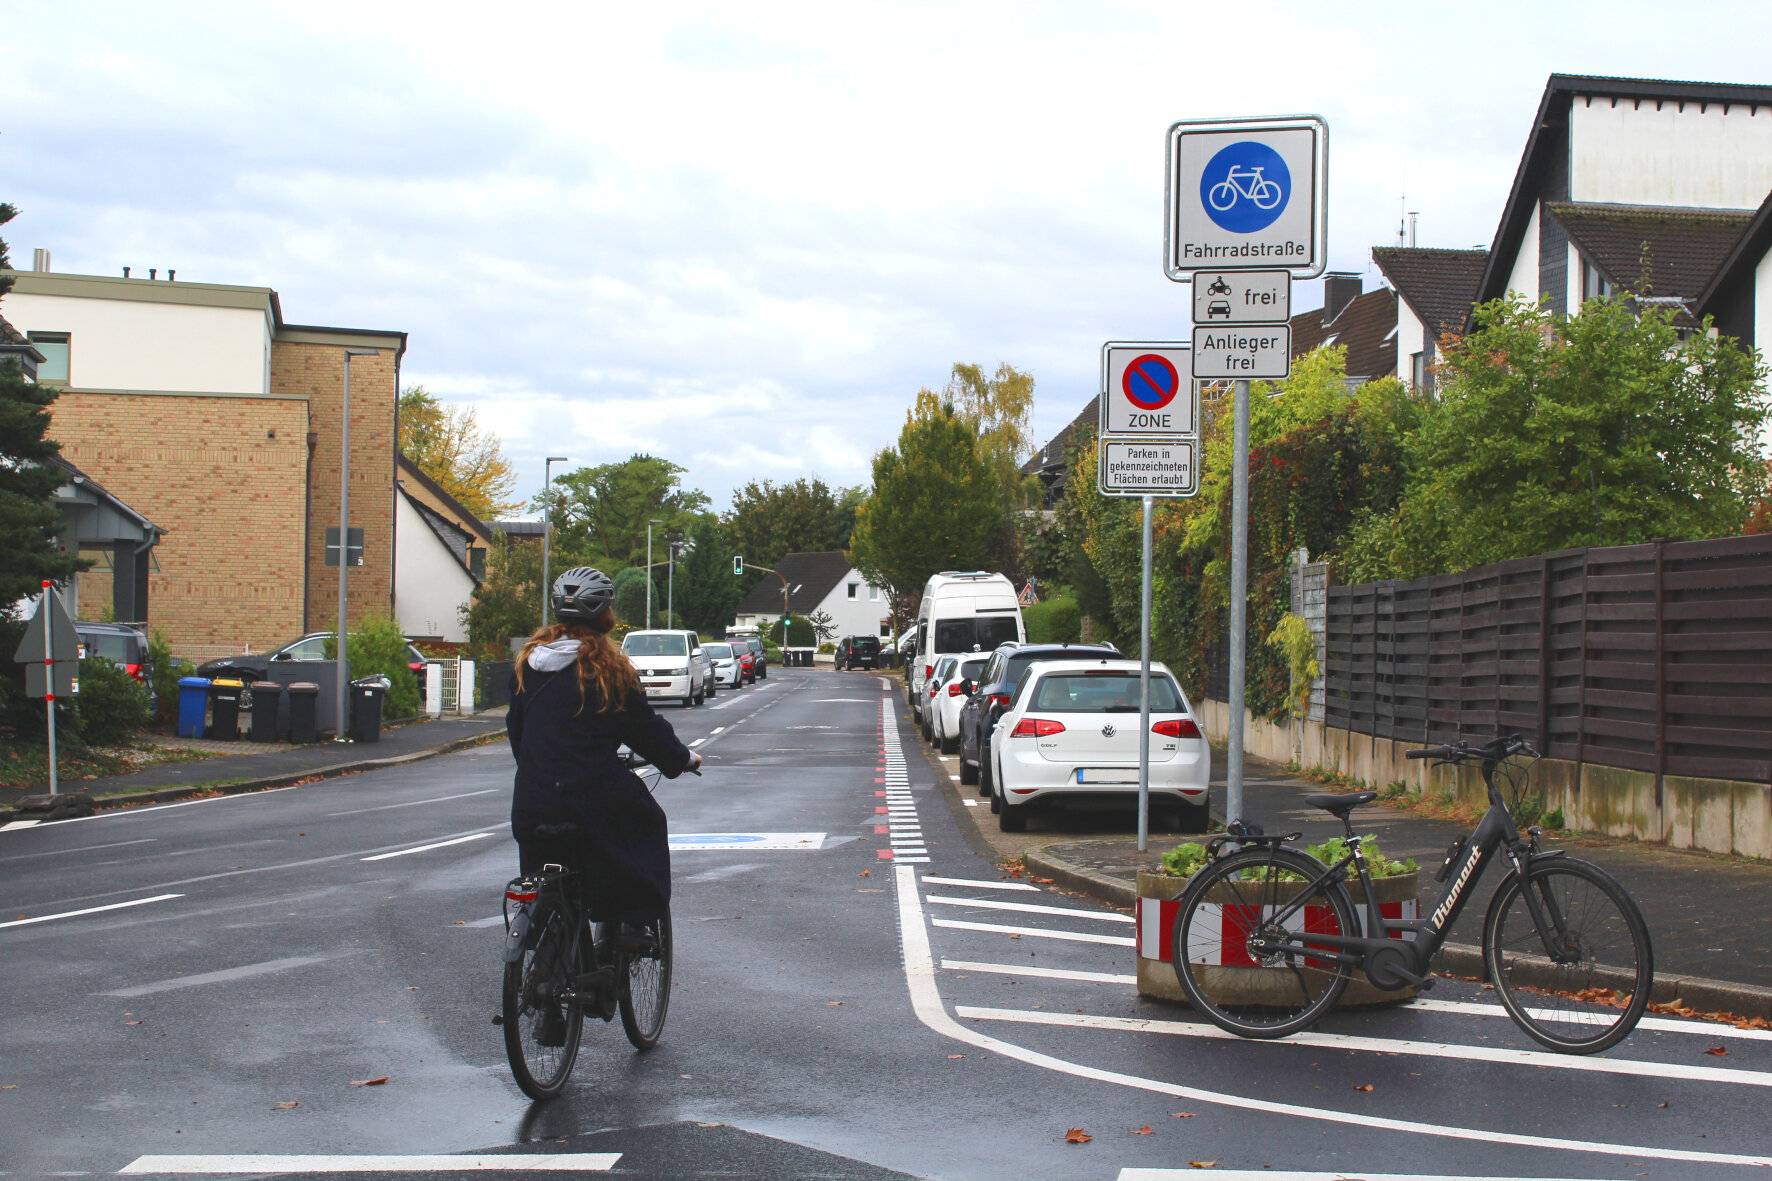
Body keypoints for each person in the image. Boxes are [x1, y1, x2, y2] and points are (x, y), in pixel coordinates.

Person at [506, 567, 702, 931]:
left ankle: (545, 944)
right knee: (647, 825)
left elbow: (517, 733)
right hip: (592, 800)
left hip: (533, 801)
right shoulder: (610, 670)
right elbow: (645, 731)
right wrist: (682, 759)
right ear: (605, 615)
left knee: (539, 871)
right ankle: (633, 928)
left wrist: (542, 769)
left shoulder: (526, 665)